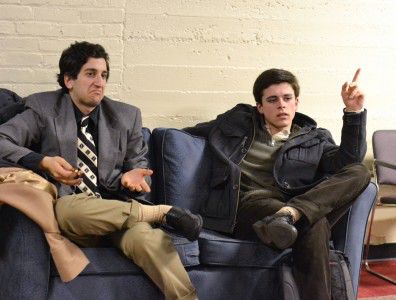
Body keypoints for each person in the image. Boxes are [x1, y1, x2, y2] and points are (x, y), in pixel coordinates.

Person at [0, 41, 202, 300]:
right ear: (69, 80)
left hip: (118, 212)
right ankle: (160, 213)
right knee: (68, 208)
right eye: (91, 74)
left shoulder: (126, 116)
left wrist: (132, 176)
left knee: (148, 242)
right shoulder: (43, 108)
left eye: (104, 75)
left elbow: (138, 164)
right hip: (72, 214)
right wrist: (43, 161)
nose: (100, 82)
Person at [183, 68, 371, 300]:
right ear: (260, 107)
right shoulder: (237, 123)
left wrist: (353, 111)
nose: (281, 105)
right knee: (315, 222)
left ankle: (291, 214)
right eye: (272, 100)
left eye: (287, 98)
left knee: (360, 172)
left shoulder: (315, 139)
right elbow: (188, 133)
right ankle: (293, 215)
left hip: (291, 206)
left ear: (296, 103)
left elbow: (349, 162)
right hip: (249, 204)